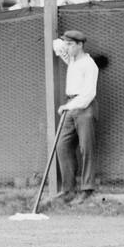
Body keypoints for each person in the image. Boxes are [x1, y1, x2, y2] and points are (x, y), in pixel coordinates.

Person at [53, 30, 99, 204]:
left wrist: (68, 106)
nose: (68, 48)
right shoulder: (71, 59)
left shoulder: (89, 64)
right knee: (62, 146)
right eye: (67, 44)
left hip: (84, 108)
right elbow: (56, 45)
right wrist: (63, 43)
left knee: (86, 148)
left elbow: (88, 94)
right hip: (70, 107)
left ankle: (87, 190)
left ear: (80, 45)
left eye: (71, 44)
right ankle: (68, 190)